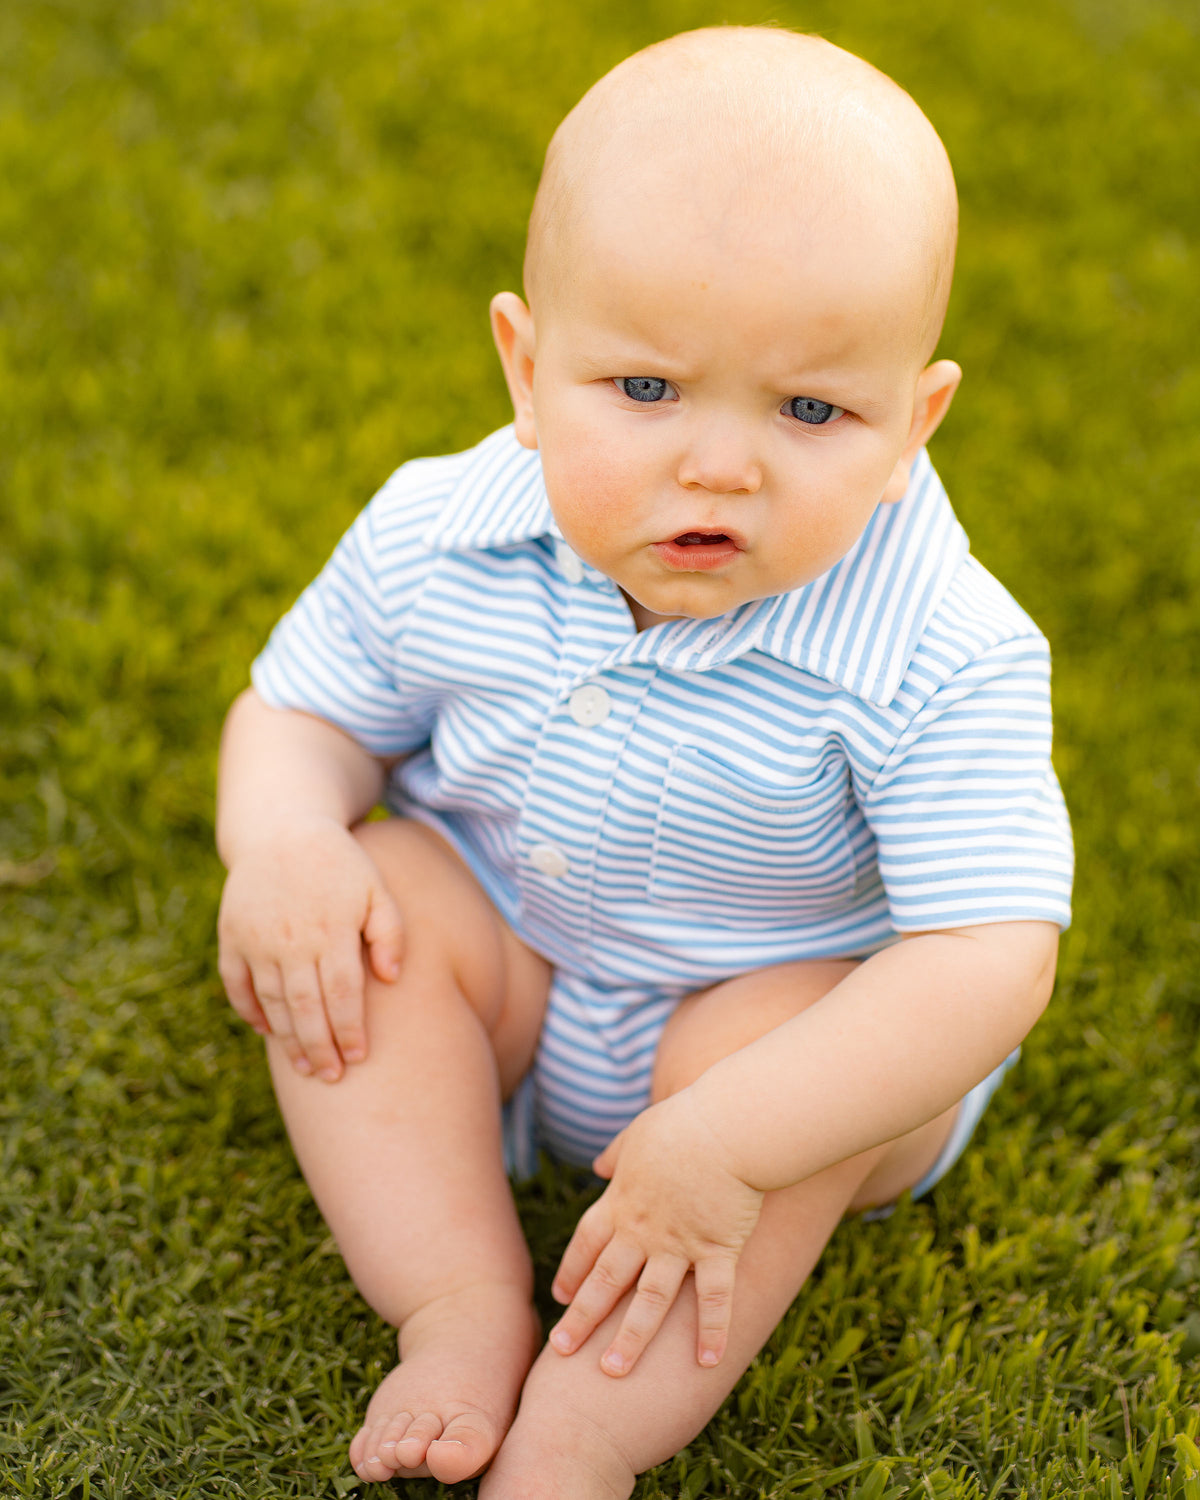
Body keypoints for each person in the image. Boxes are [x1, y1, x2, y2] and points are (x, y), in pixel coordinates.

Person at [215, 25, 1073, 1497]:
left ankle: (582, 1444)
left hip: (768, 1017)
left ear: (911, 424)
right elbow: (300, 713)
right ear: (526, 368)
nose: (721, 464)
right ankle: (458, 1307)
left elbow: (988, 956)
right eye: (647, 390)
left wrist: (736, 1138)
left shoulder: (941, 644)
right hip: (517, 961)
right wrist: (287, 840)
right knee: (364, 910)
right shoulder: (442, 531)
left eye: (812, 411)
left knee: (784, 1052)